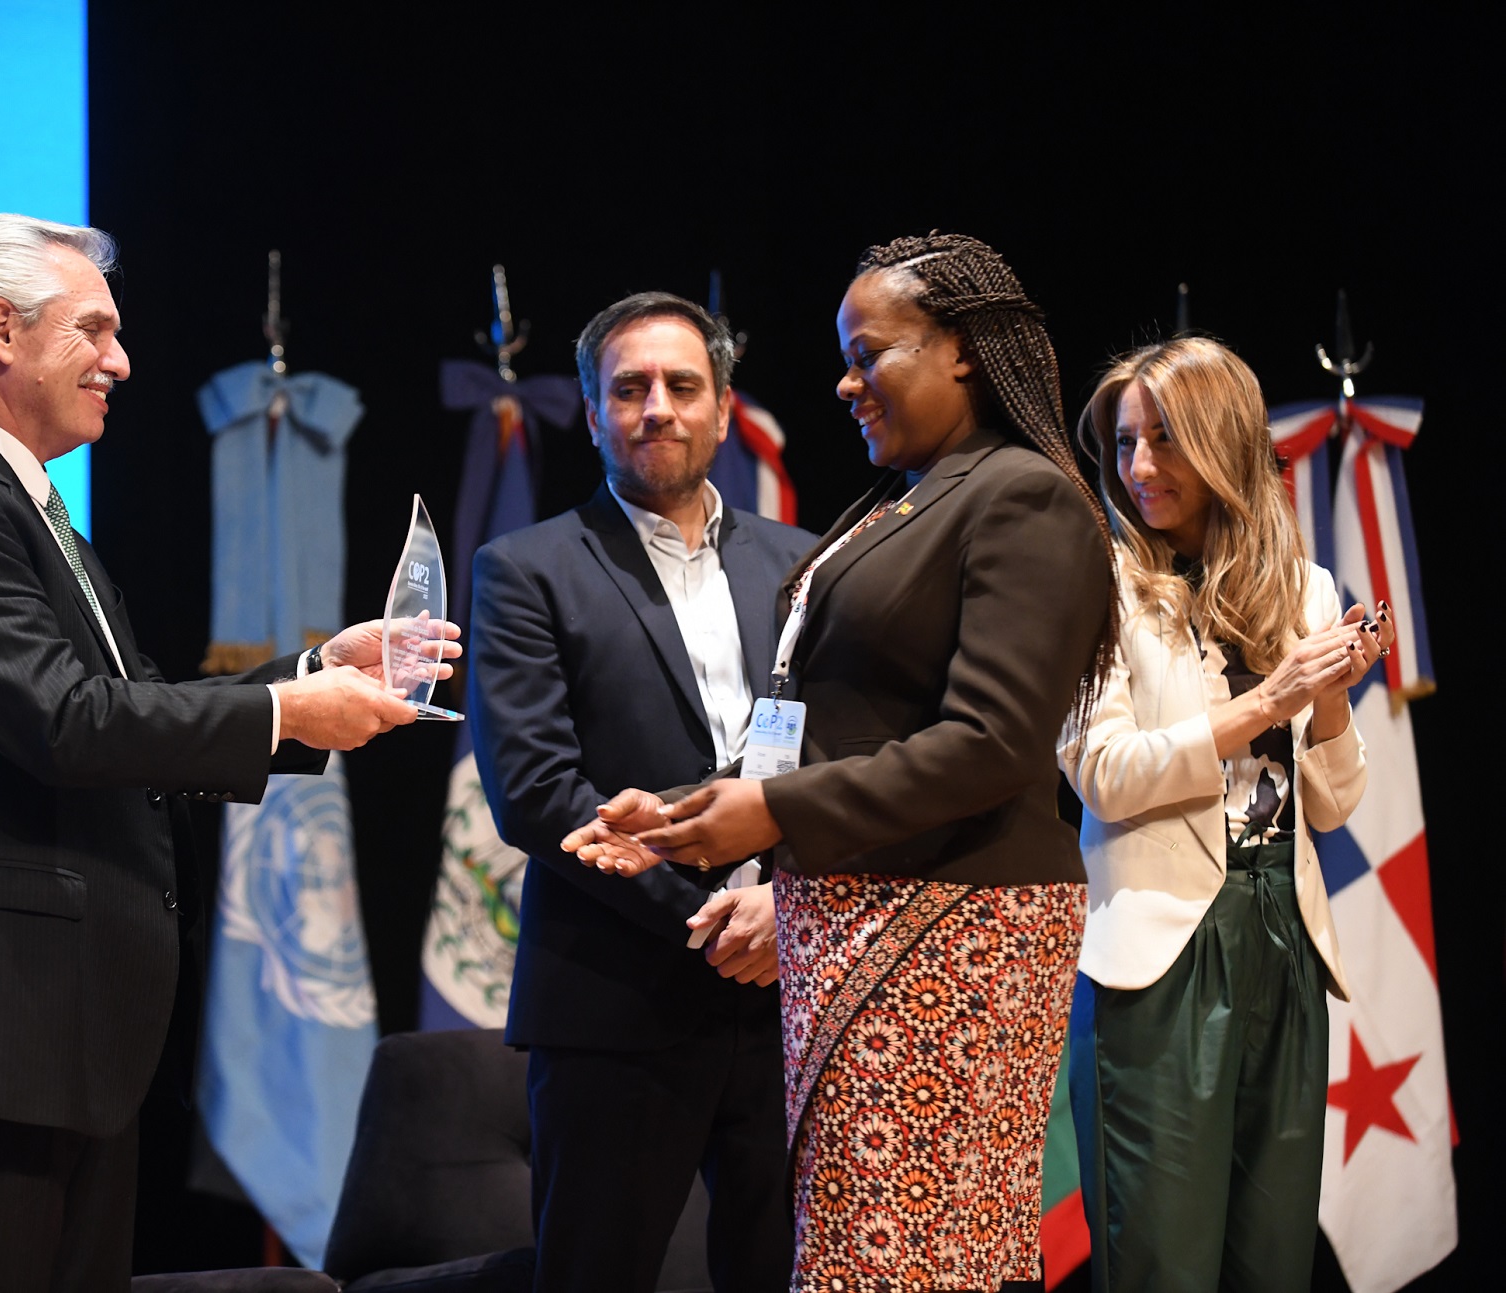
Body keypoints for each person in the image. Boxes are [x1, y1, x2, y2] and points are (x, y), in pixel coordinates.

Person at [0, 213, 453, 1293]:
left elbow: (129, 705)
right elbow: (65, 723)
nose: (121, 362)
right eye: (95, 330)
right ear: (0, 333)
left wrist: (312, 665)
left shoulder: (21, 503)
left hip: (53, 1032)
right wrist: (292, 713)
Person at [564, 233, 1115, 1292]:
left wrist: (769, 817)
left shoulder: (1020, 496)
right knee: (863, 1257)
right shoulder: (893, 503)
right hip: (853, 924)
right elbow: (815, 726)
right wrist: (683, 811)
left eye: (869, 353)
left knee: (913, 1258)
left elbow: (992, 744)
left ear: (957, 349)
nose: (844, 380)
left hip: (953, 931)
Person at [470, 291, 815, 1292]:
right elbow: (536, 791)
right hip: (615, 1005)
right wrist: (716, 917)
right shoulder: (524, 569)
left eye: (680, 386)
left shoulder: (802, 569)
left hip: (786, 993)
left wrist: (777, 907)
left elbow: (826, 761)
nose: (655, 407)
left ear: (720, 406)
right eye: (628, 389)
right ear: (591, 413)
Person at [1059, 336, 1376, 1291]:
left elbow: (1337, 801)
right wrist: (1269, 702)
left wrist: (1327, 697)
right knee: (1162, 1261)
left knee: (1272, 1259)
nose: (1140, 466)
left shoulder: (1307, 588)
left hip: (1284, 934)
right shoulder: (1095, 584)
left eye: (1167, 439)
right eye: (1124, 442)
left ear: (1227, 445)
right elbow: (1102, 773)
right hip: (1162, 957)